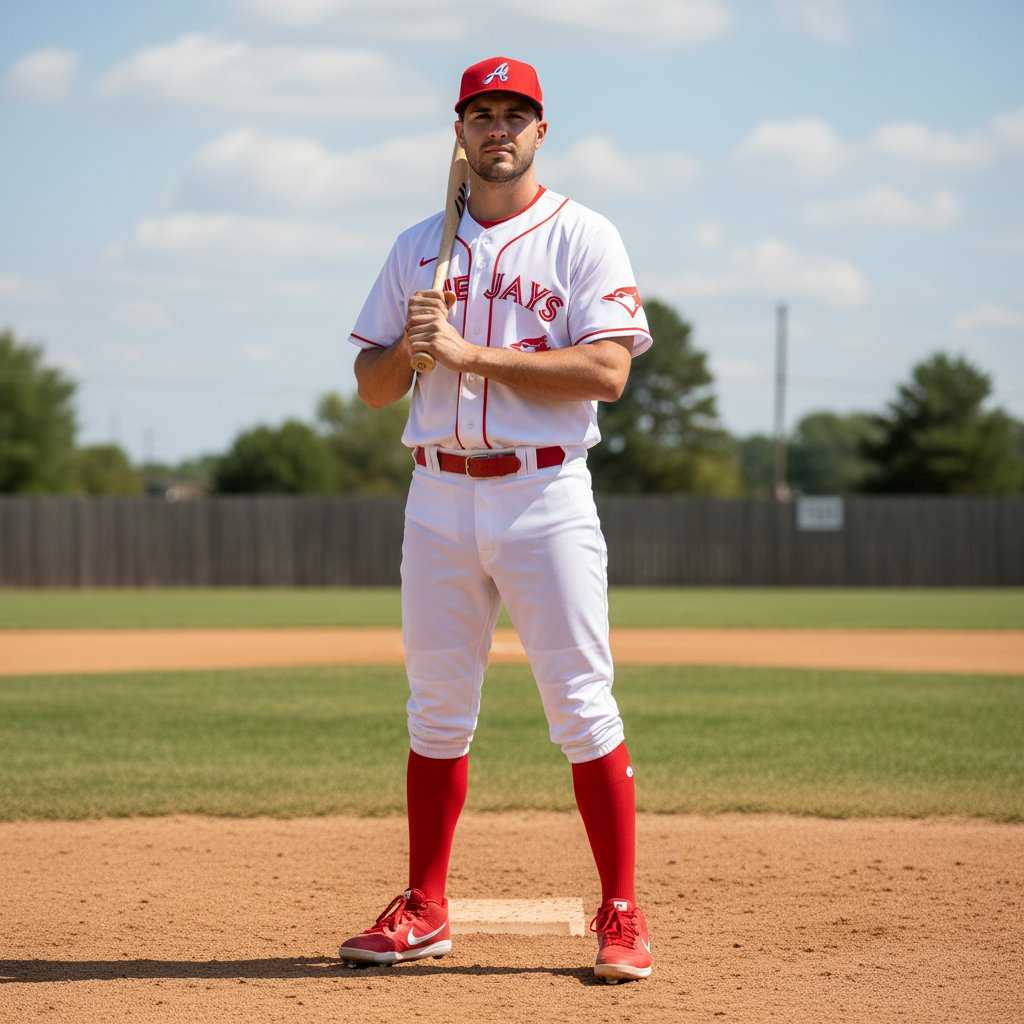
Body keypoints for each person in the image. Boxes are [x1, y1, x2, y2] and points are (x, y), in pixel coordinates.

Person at [338, 56, 654, 984]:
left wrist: (473, 354)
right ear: (460, 131)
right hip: (436, 491)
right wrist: (413, 343)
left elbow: (608, 372)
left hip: (545, 495)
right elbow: (369, 389)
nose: (498, 128)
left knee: (582, 708)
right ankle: (425, 906)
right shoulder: (416, 249)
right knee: (436, 712)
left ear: (541, 131)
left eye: (516, 113)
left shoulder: (585, 236)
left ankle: (623, 912)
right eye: (482, 113)